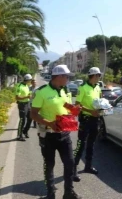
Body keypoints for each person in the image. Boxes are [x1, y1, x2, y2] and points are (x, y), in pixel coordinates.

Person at [31, 64, 82, 199]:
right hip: (48, 135)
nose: (68, 79)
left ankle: (68, 192)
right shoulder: (41, 92)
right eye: (66, 77)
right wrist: (49, 123)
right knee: (49, 164)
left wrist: (74, 109)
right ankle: (50, 193)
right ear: (59, 77)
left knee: (70, 163)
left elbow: (65, 106)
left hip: (64, 133)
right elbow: (33, 114)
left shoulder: (64, 90)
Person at [73, 67, 102, 182]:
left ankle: (88, 166)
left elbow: (99, 101)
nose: (99, 77)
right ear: (94, 76)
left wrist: (103, 108)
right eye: (98, 75)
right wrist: (90, 111)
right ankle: (73, 169)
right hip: (85, 119)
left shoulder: (98, 87)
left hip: (95, 119)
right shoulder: (83, 88)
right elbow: (77, 105)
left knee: (91, 144)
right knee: (81, 144)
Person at [15, 74, 33, 141]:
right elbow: (17, 97)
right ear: (27, 80)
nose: (31, 81)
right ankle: (19, 135)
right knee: (22, 120)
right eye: (30, 80)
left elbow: (28, 94)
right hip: (22, 105)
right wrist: (26, 97)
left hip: (27, 104)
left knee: (30, 118)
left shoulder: (27, 86)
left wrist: (30, 95)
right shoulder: (20, 86)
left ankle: (25, 131)